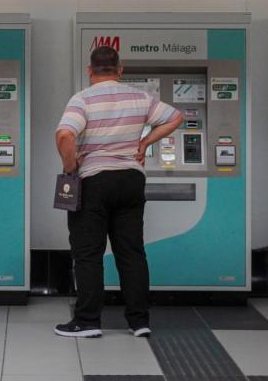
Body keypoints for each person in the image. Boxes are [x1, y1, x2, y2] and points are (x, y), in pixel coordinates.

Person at [53, 46, 183, 338]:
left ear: (90, 70)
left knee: (88, 254)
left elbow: (64, 135)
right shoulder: (140, 97)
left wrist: (71, 166)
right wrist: (146, 142)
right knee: (132, 252)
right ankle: (139, 321)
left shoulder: (82, 99)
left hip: (95, 180)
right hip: (130, 181)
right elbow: (176, 117)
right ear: (120, 69)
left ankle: (87, 322)